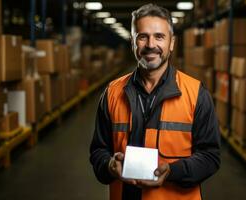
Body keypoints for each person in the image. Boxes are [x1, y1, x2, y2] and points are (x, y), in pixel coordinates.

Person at [90, 3, 221, 200]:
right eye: (142, 37)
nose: (151, 44)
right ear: (133, 42)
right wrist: (109, 165)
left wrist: (173, 171)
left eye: (159, 36)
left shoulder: (196, 94)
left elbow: (210, 156)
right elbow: (99, 150)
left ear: (172, 43)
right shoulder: (112, 93)